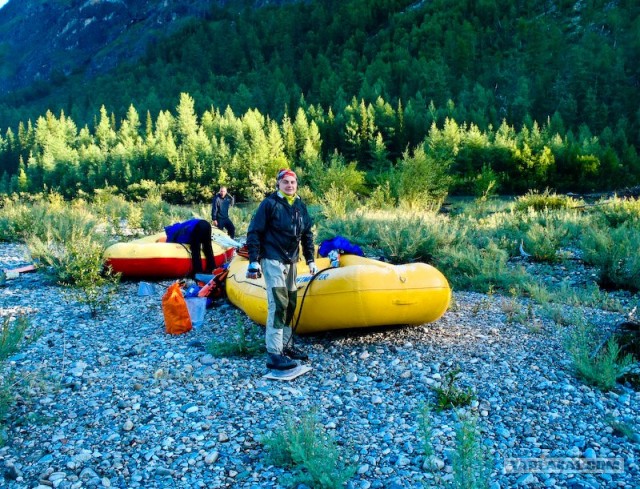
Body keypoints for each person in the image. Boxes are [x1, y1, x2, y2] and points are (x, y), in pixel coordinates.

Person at [245, 169, 318, 370]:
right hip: (272, 258)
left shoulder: (300, 206)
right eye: (285, 182)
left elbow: (307, 235)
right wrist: (253, 260)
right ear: (278, 184)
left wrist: (311, 259)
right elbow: (254, 232)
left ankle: (286, 345)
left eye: (293, 182)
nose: (289, 185)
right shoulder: (269, 205)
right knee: (278, 304)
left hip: (292, 260)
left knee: (291, 303)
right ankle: (274, 354)